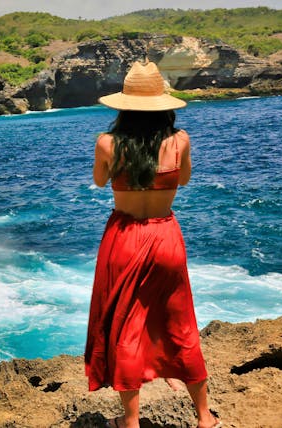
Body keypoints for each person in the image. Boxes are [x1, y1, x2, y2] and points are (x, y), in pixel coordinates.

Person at [84, 61, 222, 428]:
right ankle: (205, 418)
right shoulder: (180, 140)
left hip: (125, 239)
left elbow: (100, 182)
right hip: (165, 237)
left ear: (123, 106)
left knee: (127, 328)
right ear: (164, 104)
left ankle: (130, 422)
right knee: (181, 325)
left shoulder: (107, 143)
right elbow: (185, 179)